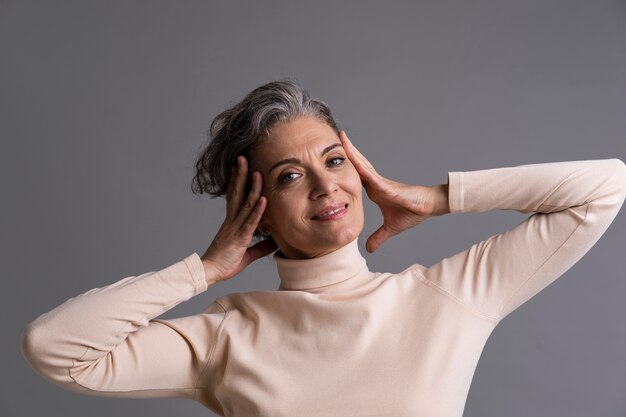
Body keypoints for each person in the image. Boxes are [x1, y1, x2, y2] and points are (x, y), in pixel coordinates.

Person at [21, 80, 626, 417]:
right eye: (288, 176)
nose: (325, 185)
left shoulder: (444, 297)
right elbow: (54, 349)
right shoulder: (226, 336)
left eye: (335, 161)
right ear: (253, 211)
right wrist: (203, 272)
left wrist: (435, 198)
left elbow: (606, 188)